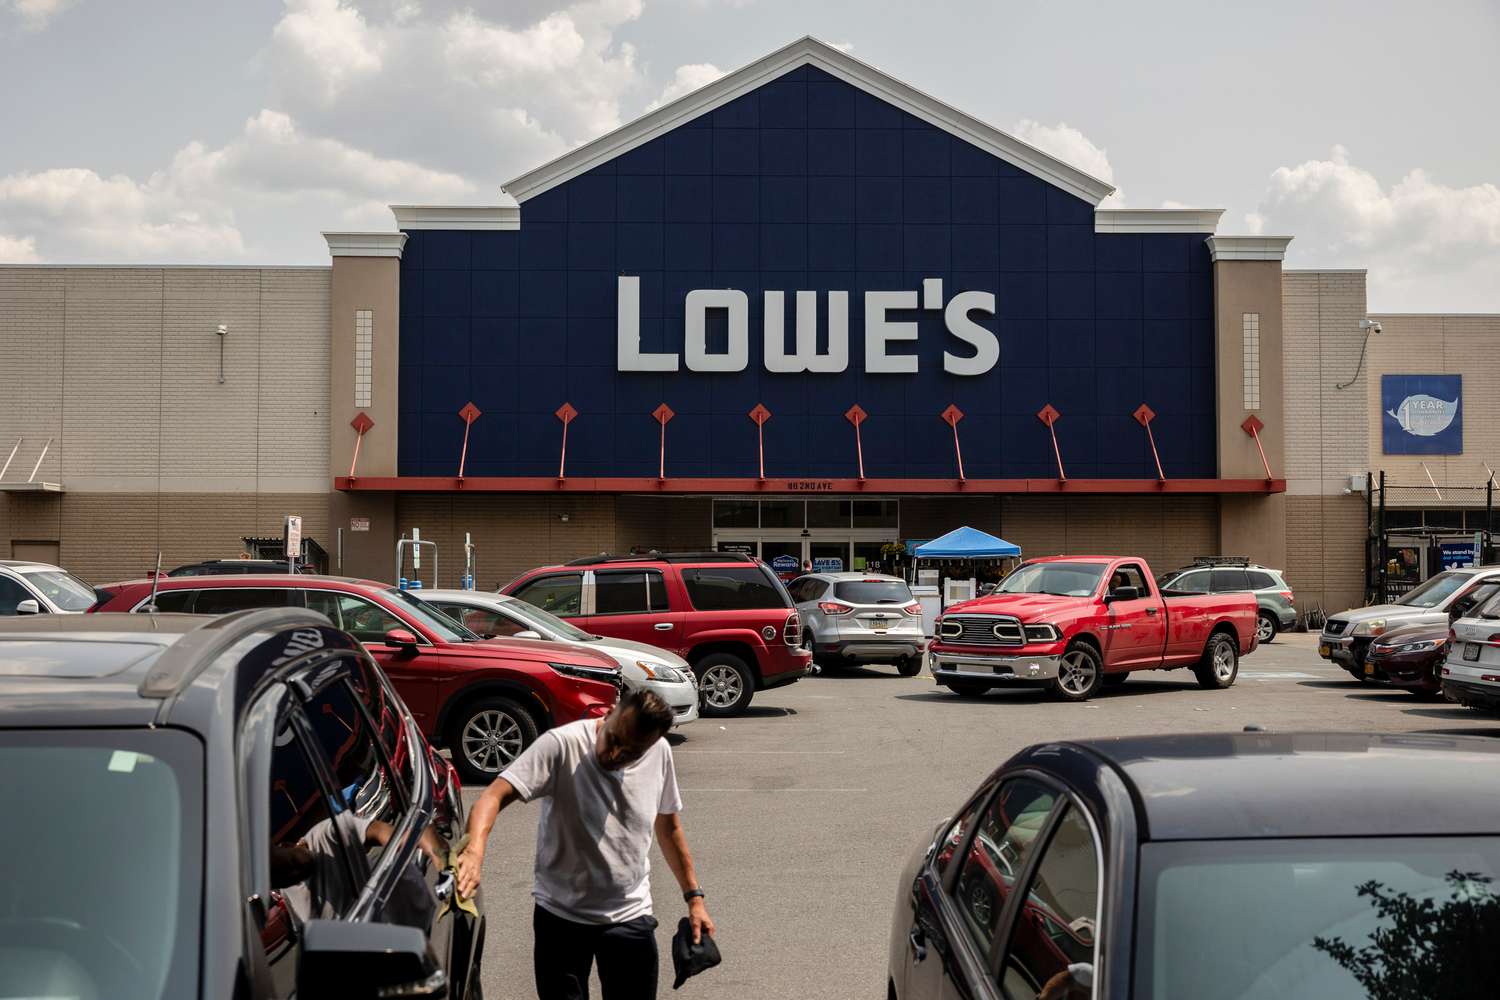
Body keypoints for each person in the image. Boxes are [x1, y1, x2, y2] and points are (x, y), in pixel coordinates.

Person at [456, 687, 715, 1000]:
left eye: (632, 752)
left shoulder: (659, 752)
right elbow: (492, 796)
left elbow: (669, 828)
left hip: (630, 916)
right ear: (608, 713)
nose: (617, 755)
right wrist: (474, 852)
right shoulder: (562, 745)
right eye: (615, 740)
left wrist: (695, 899)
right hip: (561, 918)